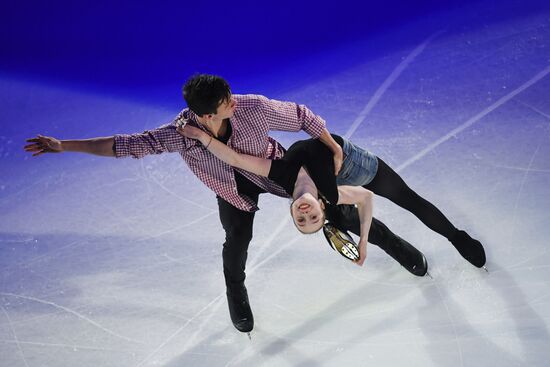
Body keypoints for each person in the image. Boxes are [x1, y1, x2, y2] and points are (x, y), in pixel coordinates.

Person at [23, 74, 427, 335]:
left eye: (230, 96)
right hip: (231, 189)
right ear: (204, 116)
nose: (234, 101)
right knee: (237, 240)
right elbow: (122, 145)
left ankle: (397, 247)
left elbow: (302, 115)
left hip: (275, 169)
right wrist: (66, 145)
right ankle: (236, 291)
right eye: (225, 102)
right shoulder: (179, 134)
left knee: (338, 209)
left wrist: (331, 146)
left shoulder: (249, 107)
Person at [179, 124, 486, 269]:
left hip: (344, 158)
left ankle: (455, 238)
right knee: (408, 199)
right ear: (322, 209)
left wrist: (204, 137)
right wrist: (363, 240)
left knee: (408, 199)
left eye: (301, 219)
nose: (304, 212)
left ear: (292, 214)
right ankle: (458, 238)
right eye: (312, 218)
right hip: (359, 168)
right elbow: (365, 197)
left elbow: (236, 159)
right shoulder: (331, 193)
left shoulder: (281, 176)